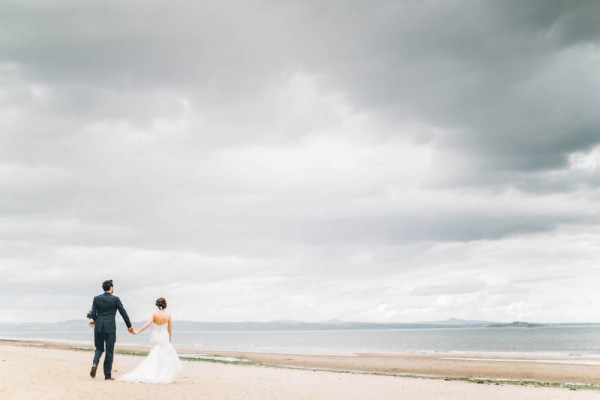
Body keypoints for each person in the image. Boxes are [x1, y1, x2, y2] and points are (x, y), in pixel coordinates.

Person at [119, 297, 182, 384]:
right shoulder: (168, 316)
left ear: (157, 305)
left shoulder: (154, 314)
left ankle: (154, 372)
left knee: (155, 354)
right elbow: (169, 330)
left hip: (155, 336)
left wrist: (137, 332)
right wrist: (169, 339)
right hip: (164, 336)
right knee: (164, 355)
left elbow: (147, 325)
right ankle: (162, 373)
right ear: (165, 305)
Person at [90, 279, 134, 380]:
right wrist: (129, 326)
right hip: (110, 328)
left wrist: (98, 321)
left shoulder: (96, 298)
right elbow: (123, 313)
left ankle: (94, 364)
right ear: (111, 287)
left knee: (99, 348)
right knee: (109, 351)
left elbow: (93, 314)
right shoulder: (115, 299)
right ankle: (107, 375)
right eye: (113, 287)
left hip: (99, 327)